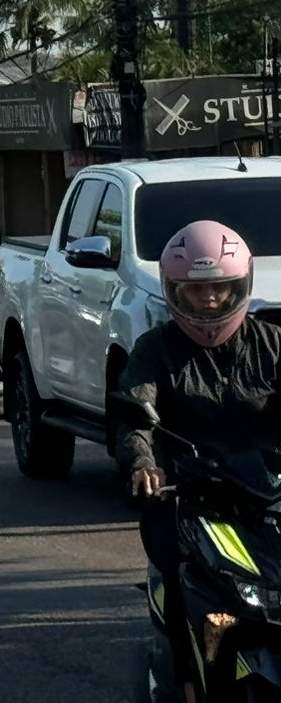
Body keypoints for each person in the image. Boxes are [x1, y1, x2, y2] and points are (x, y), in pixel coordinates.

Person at [118, 220, 281, 703]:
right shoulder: (155, 350)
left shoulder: (273, 345)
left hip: (270, 497)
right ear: (174, 292)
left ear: (241, 286)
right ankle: (184, 683)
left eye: (219, 288)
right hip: (192, 505)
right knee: (178, 587)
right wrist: (143, 464)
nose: (209, 300)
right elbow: (135, 418)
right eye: (196, 290)